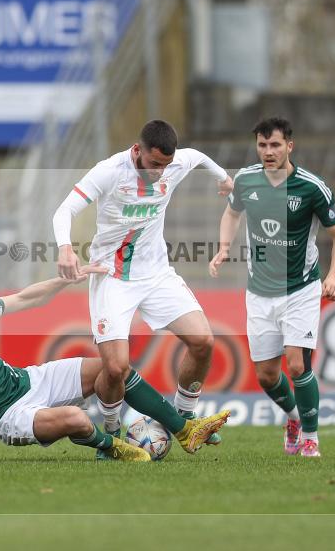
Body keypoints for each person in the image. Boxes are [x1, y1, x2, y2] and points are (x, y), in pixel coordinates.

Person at [0, 268, 228, 463]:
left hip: (27, 381)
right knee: (77, 419)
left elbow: (25, 298)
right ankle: (112, 448)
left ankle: (185, 429)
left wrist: (67, 280)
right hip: (6, 418)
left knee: (112, 367)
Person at [52, 119, 233, 456]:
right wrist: (65, 247)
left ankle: (183, 415)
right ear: (137, 151)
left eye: (165, 166)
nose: (159, 173)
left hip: (156, 275)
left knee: (203, 341)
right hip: (113, 277)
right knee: (116, 367)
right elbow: (64, 211)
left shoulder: (174, 163)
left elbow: (199, 157)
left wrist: (224, 178)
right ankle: (110, 435)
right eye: (153, 165)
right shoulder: (109, 172)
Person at [209, 117, 335, 457]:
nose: (268, 152)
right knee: (267, 375)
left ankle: (311, 437)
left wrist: (333, 276)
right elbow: (231, 213)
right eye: (262, 145)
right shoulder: (246, 180)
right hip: (259, 292)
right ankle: (293, 418)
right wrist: (224, 247)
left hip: (300, 289)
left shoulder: (311, 187)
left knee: (298, 365)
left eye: (275, 145)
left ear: (290, 146)